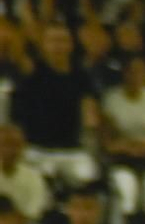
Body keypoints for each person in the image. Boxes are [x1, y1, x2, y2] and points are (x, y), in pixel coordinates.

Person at [11, 22, 100, 187]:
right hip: (37, 151)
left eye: (62, 40)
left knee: (89, 180)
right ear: (44, 45)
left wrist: (91, 142)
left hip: (73, 151)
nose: (58, 46)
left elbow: (90, 114)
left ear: (71, 45)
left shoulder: (82, 77)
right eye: (52, 41)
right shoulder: (30, 77)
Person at [99, 53, 145, 219]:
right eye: (131, 72)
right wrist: (126, 147)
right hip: (122, 158)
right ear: (124, 74)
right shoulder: (112, 100)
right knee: (127, 187)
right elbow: (106, 141)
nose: (135, 76)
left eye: (141, 72)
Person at [0, 124, 51, 223]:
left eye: (16, 145)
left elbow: (34, 212)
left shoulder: (34, 177)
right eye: (5, 144)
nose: (10, 150)